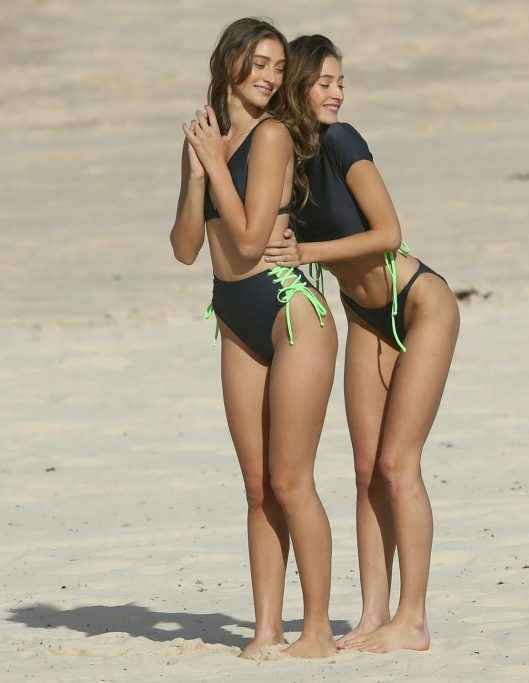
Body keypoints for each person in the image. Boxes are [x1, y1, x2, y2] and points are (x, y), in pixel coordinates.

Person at [263, 34, 460, 653]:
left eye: (340, 81)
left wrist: (309, 252)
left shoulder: (344, 141)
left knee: (400, 465)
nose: (336, 92)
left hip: (420, 305)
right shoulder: (283, 159)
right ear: (295, 85)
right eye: (324, 82)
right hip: (365, 318)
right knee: (366, 470)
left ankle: (414, 619)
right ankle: (375, 613)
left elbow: (388, 232)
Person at [169, 18, 338, 659]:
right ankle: (267, 628)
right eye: (259, 63)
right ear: (229, 62)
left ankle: (316, 629)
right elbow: (187, 249)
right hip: (232, 311)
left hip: (289, 310)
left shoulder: (269, 137)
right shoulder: (209, 137)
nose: (270, 75)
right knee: (257, 483)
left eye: (276, 65)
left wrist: (215, 166)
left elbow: (246, 239)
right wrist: (195, 173)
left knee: (293, 480)